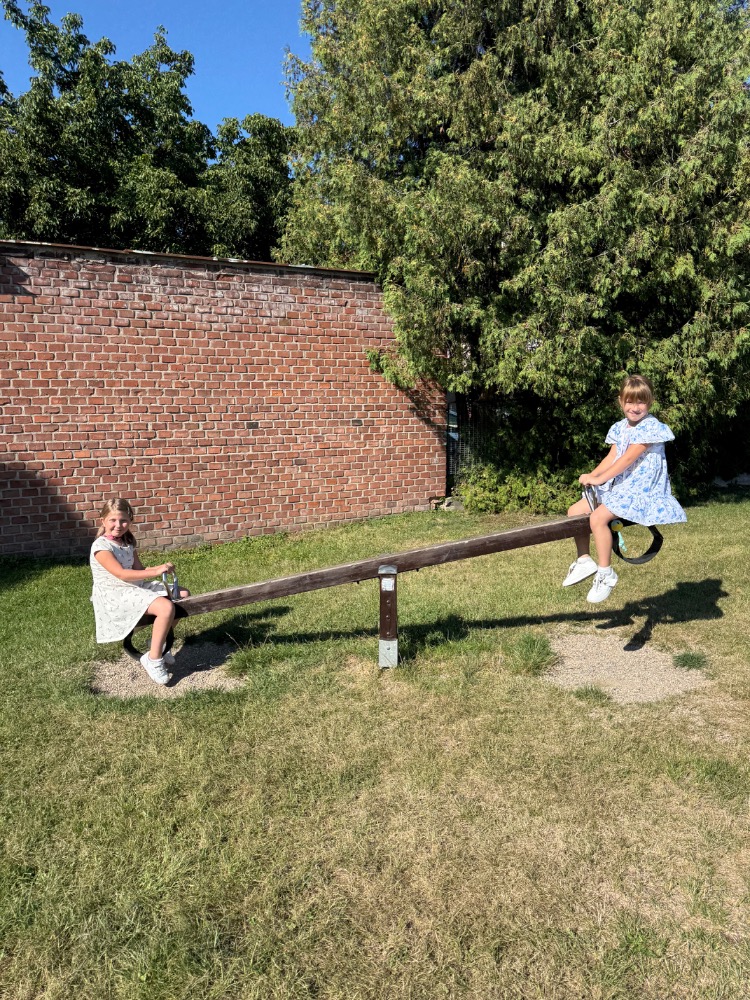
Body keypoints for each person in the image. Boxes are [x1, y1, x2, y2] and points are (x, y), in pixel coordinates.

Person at [562, 375, 686, 603]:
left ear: (650, 402)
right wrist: (593, 476)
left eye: (641, 402)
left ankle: (606, 573)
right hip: (620, 485)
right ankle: (584, 560)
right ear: (621, 401)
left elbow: (627, 459)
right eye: (629, 401)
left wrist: (601, 479)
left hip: (640, 488)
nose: (634, 407)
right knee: (574, 512)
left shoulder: (651, 427)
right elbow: (613, 457)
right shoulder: (620, 428)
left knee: (598, 518)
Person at [90, 498, 190, 685]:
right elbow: (122, 574)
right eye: (113, 520)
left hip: (133, 586)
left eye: (123, 520)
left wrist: (160, 568)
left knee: (182, 595)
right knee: (166, 607)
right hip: (116, 593)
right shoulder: (101, 547)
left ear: (130, 521)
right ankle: (153, 659)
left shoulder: (127, 542)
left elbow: (139, 570)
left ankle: (157, 643)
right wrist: (155, 571)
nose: (118, 525)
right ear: (102, 521)